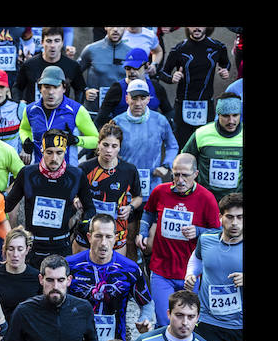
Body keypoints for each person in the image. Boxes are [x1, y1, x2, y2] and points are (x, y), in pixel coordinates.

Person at [137, 153, 220, 327]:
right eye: (176, 174)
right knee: (163, 322)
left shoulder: (207, 198)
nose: (180, 180)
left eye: (185, 175)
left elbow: (218, 233)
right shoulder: (160, 191)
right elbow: (149, 211)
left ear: (196, 174)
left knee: (187, 324)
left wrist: (198, 231)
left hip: (191, 274)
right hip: (161, 270)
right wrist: (143, 232)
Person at [5, 129, 96, 268]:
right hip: (32, 248)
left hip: (61, 246)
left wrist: (84, 223)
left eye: (59, 152)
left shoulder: (76, 175)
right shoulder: (28, 173)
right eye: (49, 152)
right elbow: (7, 205)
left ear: (65, 152)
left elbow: (90, 208)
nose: (54, 158)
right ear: (42, 150)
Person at [114, 79, 179, 264]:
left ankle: (152, 274)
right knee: (129, 238)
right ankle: (134, 277)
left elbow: (173, 145)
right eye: (134, 98)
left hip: (152, 188)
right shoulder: (117, 122)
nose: (138, 103)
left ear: (149, 99)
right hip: (126, 192)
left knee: (151, 241)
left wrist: (166, 165)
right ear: (127, 99)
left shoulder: (160, 120)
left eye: (142, 98)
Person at [68, 214, 155, 341]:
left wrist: (145, 319)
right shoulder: (71, 266)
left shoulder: (129, 269)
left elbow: (146, 303)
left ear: (115, 238)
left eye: (108, 237)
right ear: (89, 237)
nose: (103, 243)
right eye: (98, 236)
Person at [185, 193, 243, 341]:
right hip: (209, 320)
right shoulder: (207, 239)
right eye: (230, 217)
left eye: (240, 217)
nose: (235, 223)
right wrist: (190, 274)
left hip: (238, 324)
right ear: (220, 218)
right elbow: (197, 257)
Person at [73, 121, 143, 255]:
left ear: (120, 147)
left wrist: (130, 207)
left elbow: (138, 197)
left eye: (114, 146)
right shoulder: (85, 168)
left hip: (116, 231)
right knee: (81, 272)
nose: (109, 150)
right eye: (105, 145)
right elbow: (73, 194)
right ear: (98, 144)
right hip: (88, 229)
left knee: (114, 274)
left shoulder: (129, 170)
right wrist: (76, 199)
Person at [161, 27, 231, 149]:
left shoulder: (218, 47)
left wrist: (225, 71)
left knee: (205, 145)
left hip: (206, 104)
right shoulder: (179, 48)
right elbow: (163, 73)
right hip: (183, 104)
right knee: (181, 146)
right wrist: (172, 78)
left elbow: (226, 63)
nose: (197, 28)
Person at [19, 66, 98, 167]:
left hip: (67, 173)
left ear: (64, 88)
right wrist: (26, 140)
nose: (51, 92)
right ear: (40, 88)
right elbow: (24, 129)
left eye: (56, 87)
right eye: (47, 87)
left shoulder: (76, 110)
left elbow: (96, 140)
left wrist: (76, 140)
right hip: (39, 171)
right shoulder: (30, 110)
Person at [181, 93, 243, 202]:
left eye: (235, 115)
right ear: (218, 115)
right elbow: (184, 161)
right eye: (225, 116)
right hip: (205, 199)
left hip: (237, 202)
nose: (231, 121)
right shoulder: (202, 133)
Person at [94, 47, 171, 129]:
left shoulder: (156, 87)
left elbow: (169, 113)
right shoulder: (117, 89)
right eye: (128, 68)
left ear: (147, 66)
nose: (131, 72)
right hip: (123, 137)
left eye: (136, 67)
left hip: (150, 137)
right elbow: (100, 120)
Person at [15, 27, 86, 105]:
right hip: (35, 114)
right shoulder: (29, 65)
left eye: (57, 41)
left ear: (62, 43)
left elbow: (80, 90)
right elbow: (17, 87)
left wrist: (75, 109)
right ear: (42, 42)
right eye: (49, 41)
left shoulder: (72, 66)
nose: (52, 45)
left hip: (61, 115)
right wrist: (19, 104)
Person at [79, 27, 130, 120]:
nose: (115, 29)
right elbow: (74, 74)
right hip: (94, 112)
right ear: (105, 27)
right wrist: (85, 90)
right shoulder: (91, 49)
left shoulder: (130, 53)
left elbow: (139, 80)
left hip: (121, 114)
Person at [0, 70, 27, 154]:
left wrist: (25, 150)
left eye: (1, 87)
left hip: (14, 157)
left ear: (7, 88)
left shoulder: (19, 107)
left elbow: (29, 130)